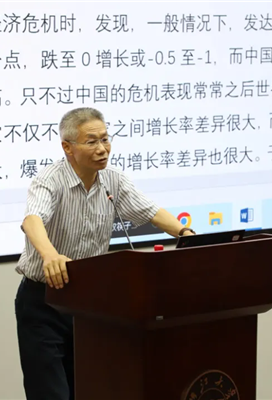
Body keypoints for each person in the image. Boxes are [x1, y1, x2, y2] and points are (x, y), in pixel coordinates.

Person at [14, 107, 195, 400]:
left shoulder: (113, 179)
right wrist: (50, 256)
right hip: (44, 303)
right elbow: (32, 220)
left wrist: (185, 233)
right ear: (67, 147)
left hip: (89, 304)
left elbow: (151, 212)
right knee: (51, 394)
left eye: (105, 139)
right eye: (91, 142)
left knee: (89, 389)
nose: (102, 149)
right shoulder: (50, 179)